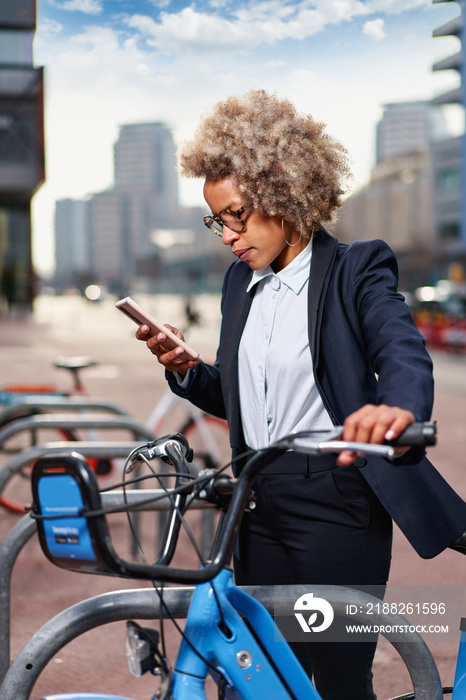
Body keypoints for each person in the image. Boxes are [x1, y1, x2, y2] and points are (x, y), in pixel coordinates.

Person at [136, 90, 466, 700]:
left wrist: (397, 407)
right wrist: (187, 369)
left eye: (236, 214)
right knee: (260, 676)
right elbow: (243, 399)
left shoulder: (355, 270)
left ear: (284, 194)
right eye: (216, 220)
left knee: (339, 679)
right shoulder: (242, 282)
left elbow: (401, 348)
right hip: (256, 498)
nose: (227, 235)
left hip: (335, 500)